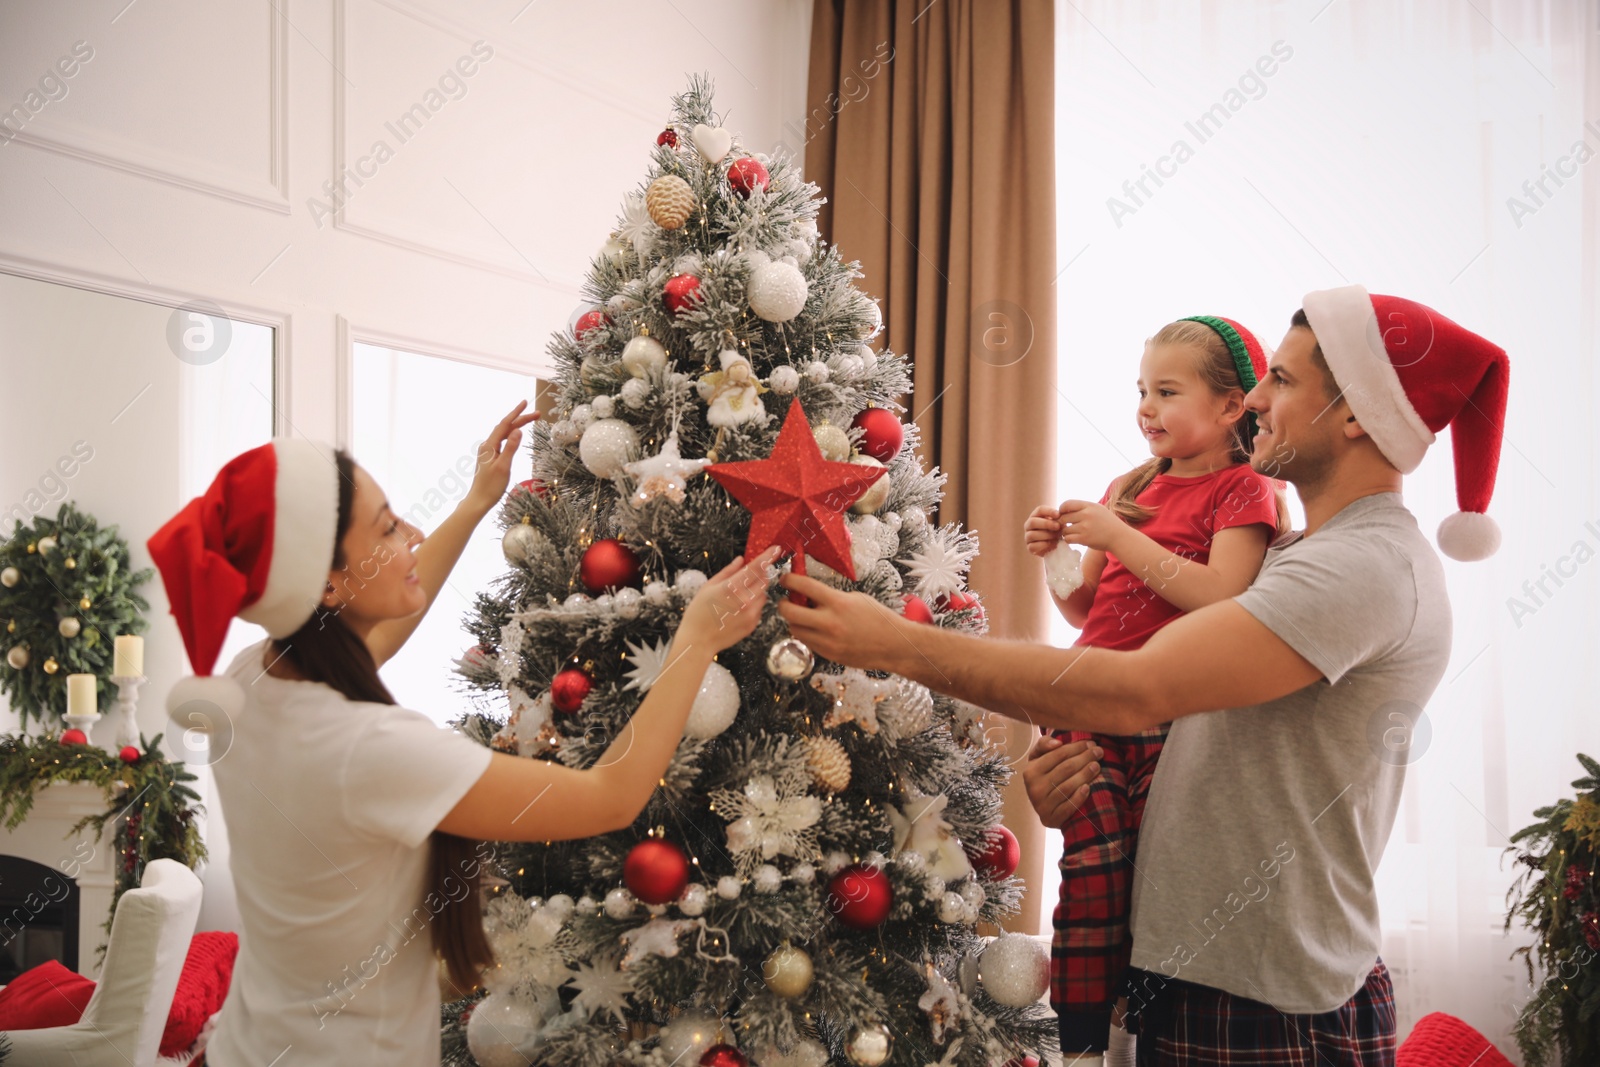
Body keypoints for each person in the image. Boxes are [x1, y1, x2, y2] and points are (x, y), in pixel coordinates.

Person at [779, 286, 1509, 1065]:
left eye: (1286, 381)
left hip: (1265, 1002)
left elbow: (1136, 688)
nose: (1257, 396)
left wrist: (897, 645)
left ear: (1358, 411)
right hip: (1199, 978)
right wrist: (1077, 781)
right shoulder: (1296, 556)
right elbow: (1175, 715)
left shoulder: (1362, 567)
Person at [146, 402, 779, 1066]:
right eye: (387, 529)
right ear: (329, 582)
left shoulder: (255, 679)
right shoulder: (372, 749)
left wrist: (478, 502)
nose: (412, 534)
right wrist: (693, 641)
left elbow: (371, 637)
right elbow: (613, 793)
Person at [1022, 317, 1285, 1067]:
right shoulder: (1130, 488)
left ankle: (1128, 1036)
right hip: (1090, 701)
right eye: (1143, 390)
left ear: (1234, 406)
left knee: (1152, 883)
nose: (1146, 407)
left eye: (1167, 391)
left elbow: (1222, 596)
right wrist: (1060, 557)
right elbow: (1087, 611)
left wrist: (1116, 536)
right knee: (1094, 866)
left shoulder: (1246, 489)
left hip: (1173, 715)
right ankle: (1077, 1049)